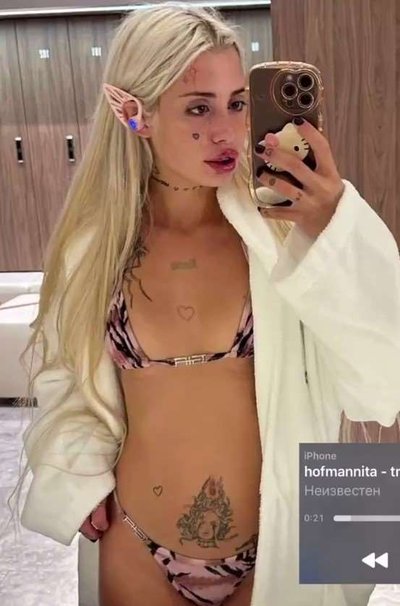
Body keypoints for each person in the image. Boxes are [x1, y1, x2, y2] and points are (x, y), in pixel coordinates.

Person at [6, 3, 400, 605]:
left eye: (237, 103)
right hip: (137, 545)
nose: (227, 131)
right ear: (133, 113)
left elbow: (381, 380)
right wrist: (76, 471)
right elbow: (65, 377)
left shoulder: (283, 234)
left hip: (282, 537)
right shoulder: (95, 247)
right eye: (198, 108)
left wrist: (333, 227)